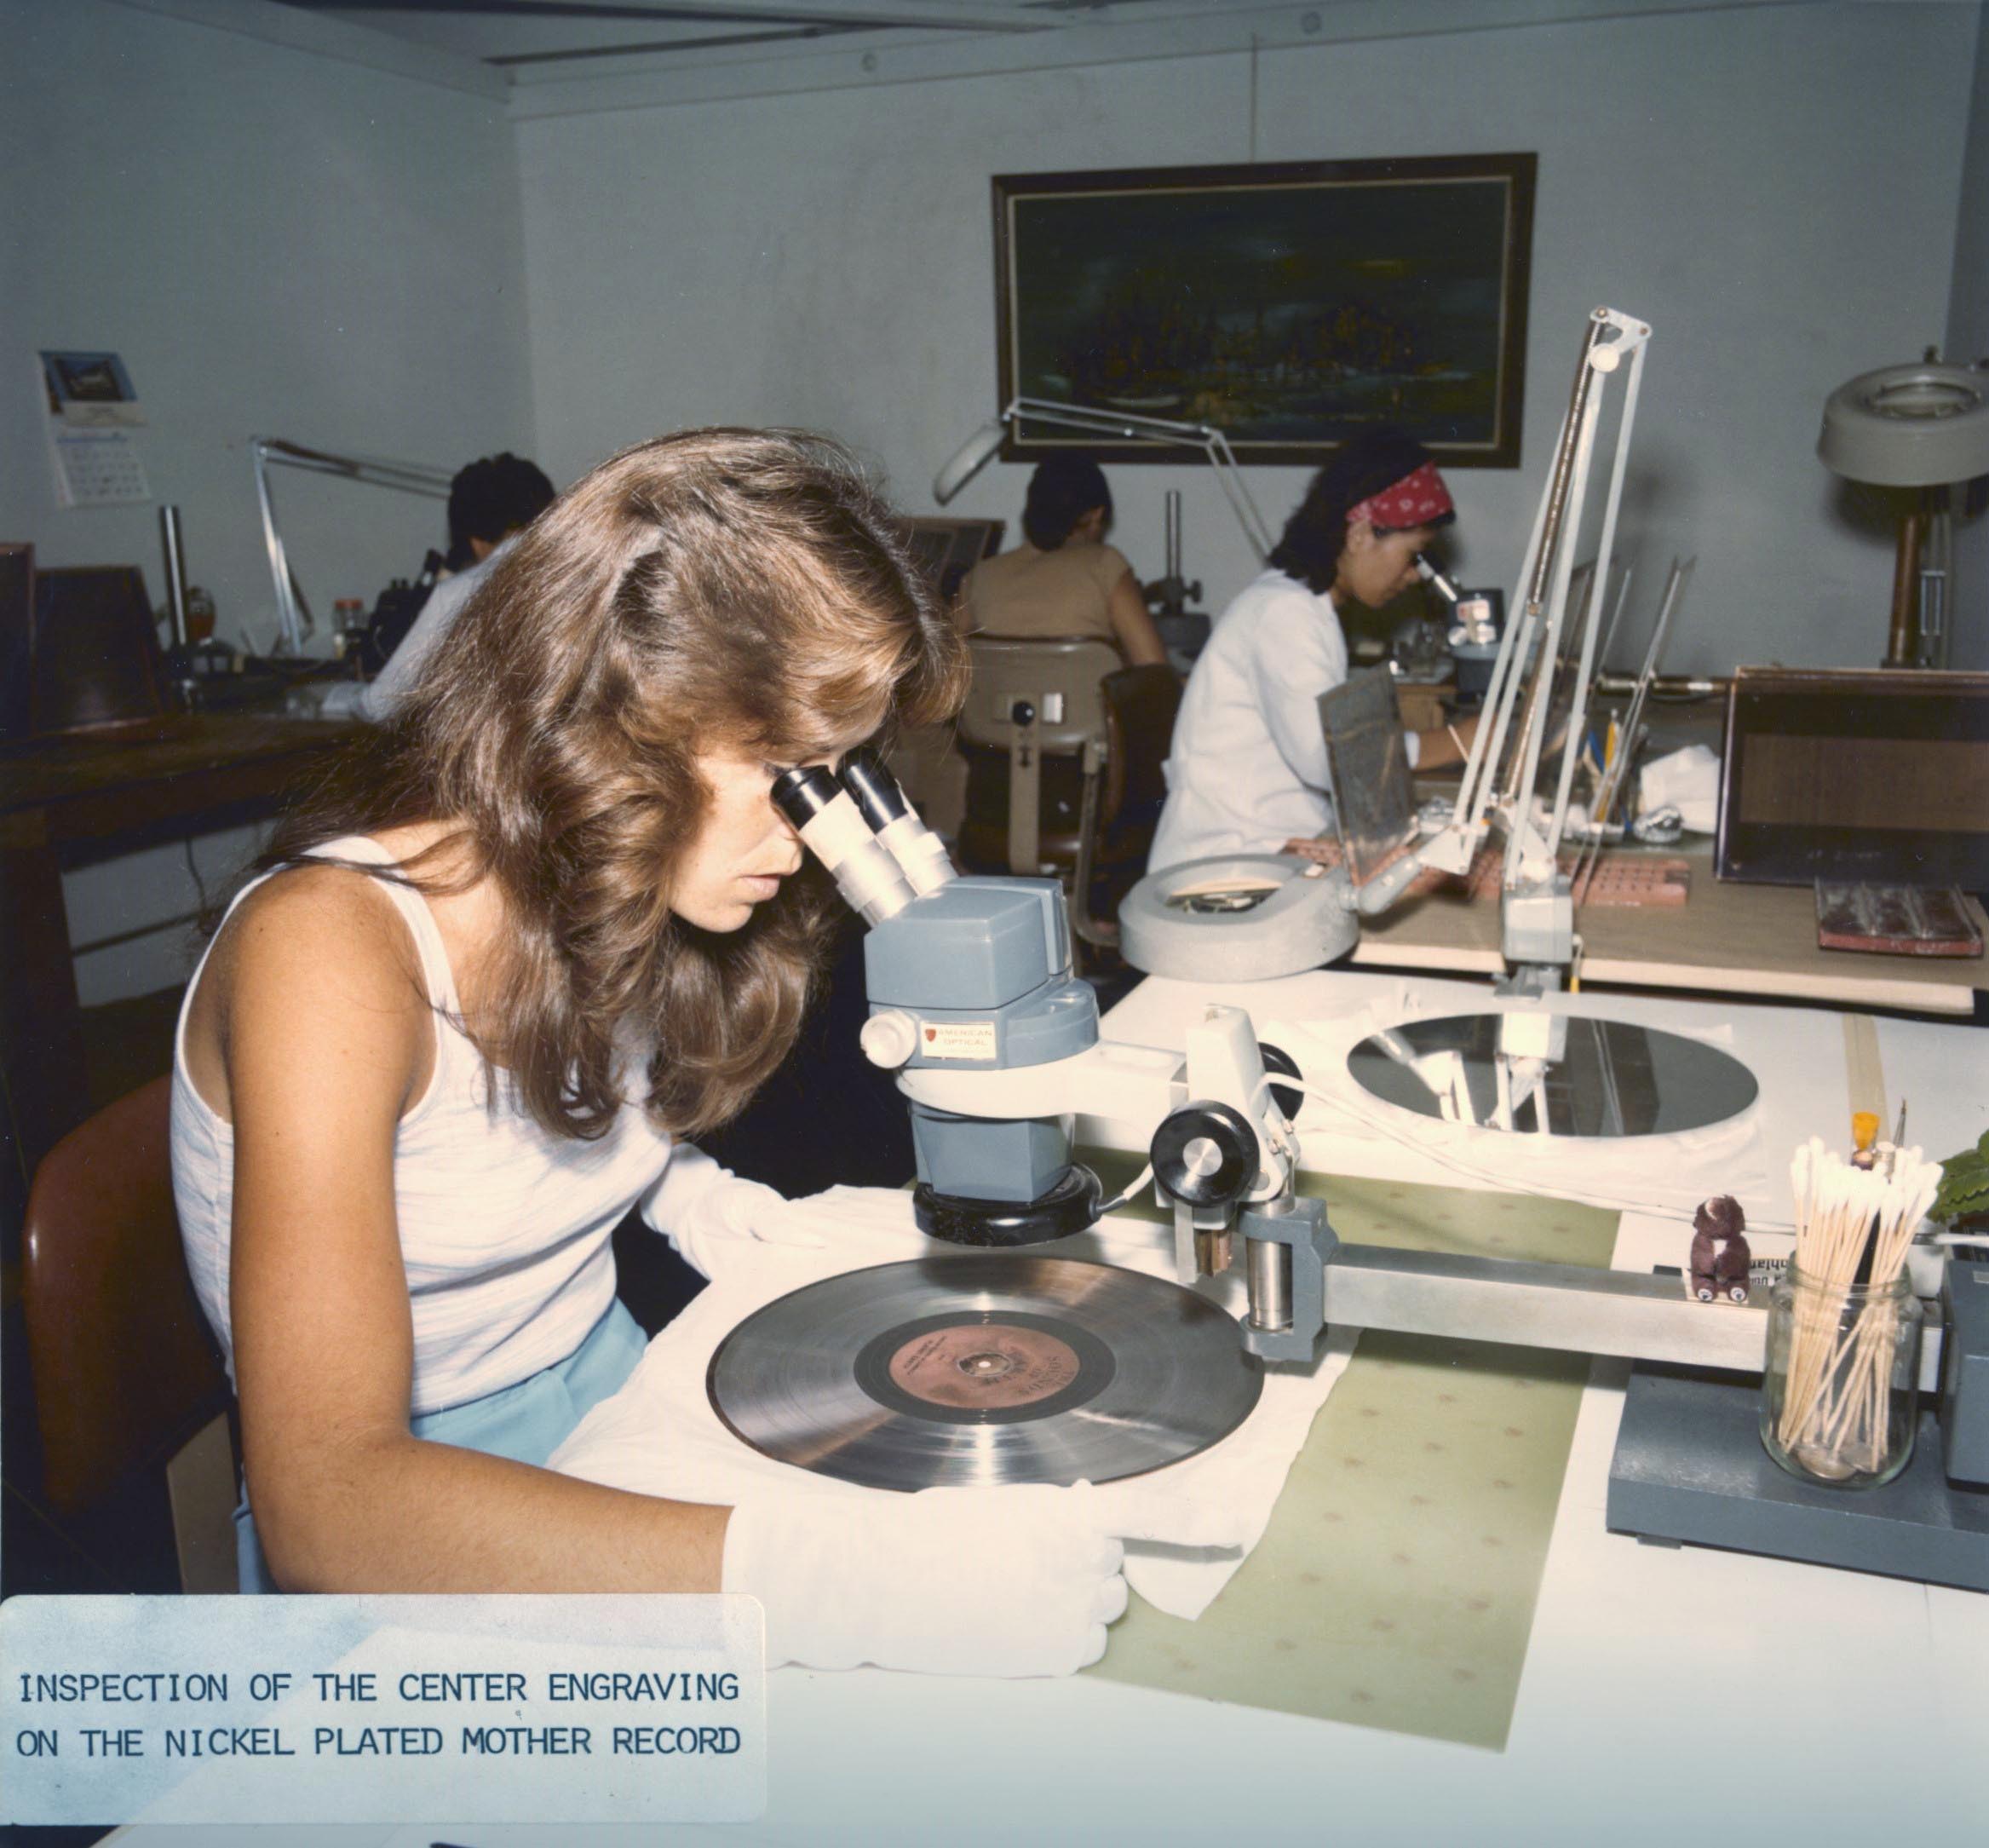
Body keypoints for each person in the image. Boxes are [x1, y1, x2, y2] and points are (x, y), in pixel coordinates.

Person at [170, 429, 1160, 1673]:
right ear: (622, 706)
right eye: (782, 774)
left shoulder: (614, 874)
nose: (804, 839)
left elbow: (548, 1126)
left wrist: (710, 1207)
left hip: (612, 1390)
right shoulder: (329, 953)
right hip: (413, 1512)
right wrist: (818, 1582)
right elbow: (332, 1506)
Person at [1148, 427, 1477, 870]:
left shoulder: (1304, 605)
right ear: (1361, 533)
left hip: (1273, 840)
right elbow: (1332, 760)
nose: (1416, 574)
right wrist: (1465, 740)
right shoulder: (1285, 612)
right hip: (1226, 859)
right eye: (1414, 554)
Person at [327, 452, 556, 722]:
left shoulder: (461, 592)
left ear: (475, 541)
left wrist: (344, 697)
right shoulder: (581, 573)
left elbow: (383, 704)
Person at [961, 454, 1170, 667]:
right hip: (1082, 701)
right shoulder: (1106, 565)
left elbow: (944, 673)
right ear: (1096, 514)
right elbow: (1154, 670)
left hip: (997, 701)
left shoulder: (980, 575)